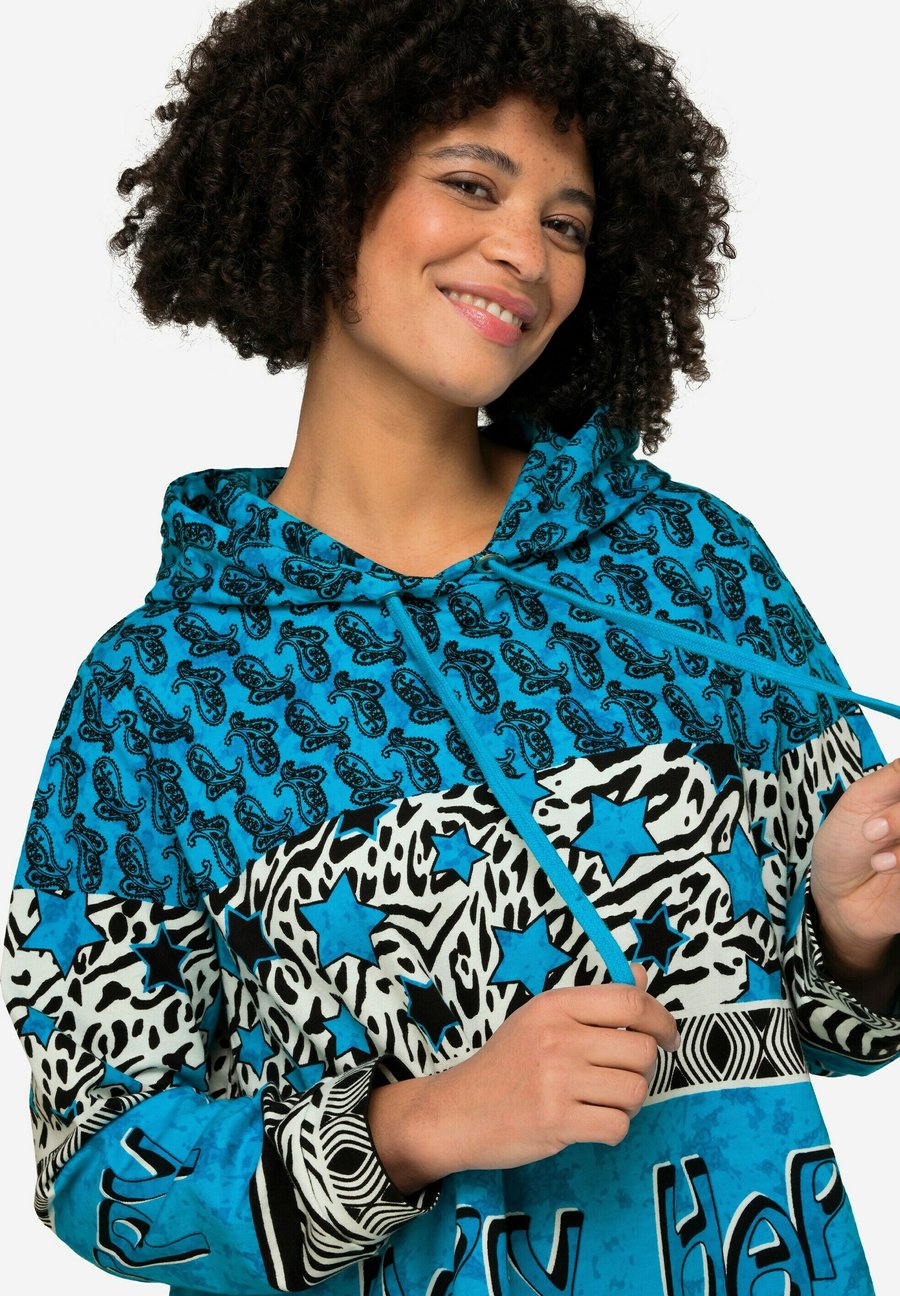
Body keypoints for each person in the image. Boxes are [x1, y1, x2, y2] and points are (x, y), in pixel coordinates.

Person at [2, 1, 898, 1294]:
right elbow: (98, 1165)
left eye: (567, 223)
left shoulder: (686, 563)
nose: (524, 251)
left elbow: (824, 1021)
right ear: (324, 187)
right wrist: (417, 1126)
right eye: (472, 184)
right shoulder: (159, 692)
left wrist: (854, 933)